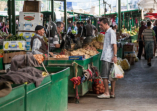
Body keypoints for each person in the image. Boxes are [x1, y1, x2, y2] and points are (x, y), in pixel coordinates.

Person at [97, 17, 117, 99]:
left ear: (106, 24)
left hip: (107, 57)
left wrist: (115, 56)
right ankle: (112, 93)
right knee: (112, 75)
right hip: (109, 56)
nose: (100, 26)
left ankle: (106, 93)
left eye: (101, 25)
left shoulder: (110, 32)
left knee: (105, 76)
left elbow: (114, 45)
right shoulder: (108, 32)